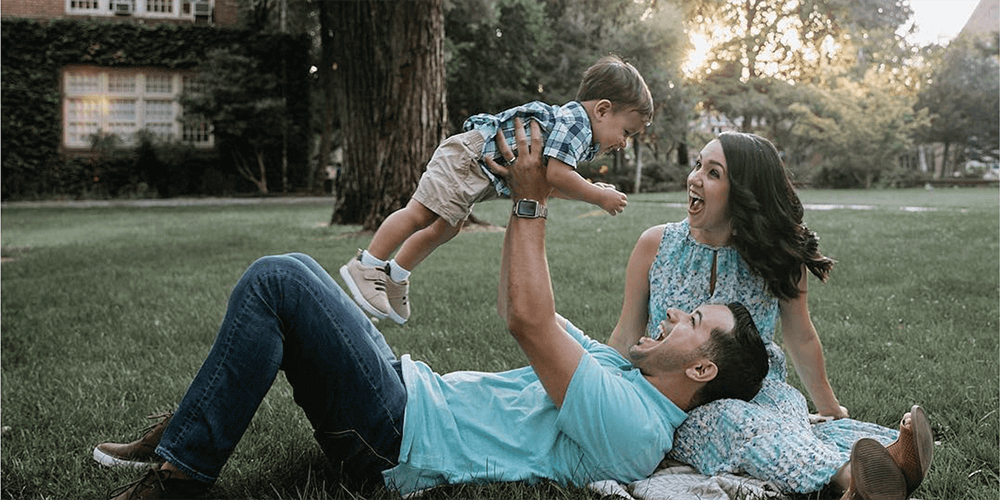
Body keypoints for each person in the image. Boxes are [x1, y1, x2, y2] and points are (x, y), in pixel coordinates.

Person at [94, 120, 769, 500]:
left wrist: (532, 203)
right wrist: (520, 200)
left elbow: (528, 324)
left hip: (395, 439)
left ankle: (182, 474)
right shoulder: (622, 374)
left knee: (277, 280)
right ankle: (191, 428)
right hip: (403, 399)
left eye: (694, 321)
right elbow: (520, 305)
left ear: (705, 370)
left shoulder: (638, 429)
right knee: (296, 273)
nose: (676, 314)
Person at [606, 131, 934, 499]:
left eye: (714, 173)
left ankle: (888, 466)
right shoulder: (654, 244)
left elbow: (801, 337)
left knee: (790, 422)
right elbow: (625, 334)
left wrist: (829, 407)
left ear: (744, 194)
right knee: (735, 423)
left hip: (763, 390)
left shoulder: (778, 258)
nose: (695, 177)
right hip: (680, 400)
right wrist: (600, 391)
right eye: (699, 164)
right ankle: (850, 479)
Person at [340, 55, 651, 325]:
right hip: (468, 156)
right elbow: (558, 174)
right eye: (626, 131)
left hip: (476, 168)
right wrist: (598, 196)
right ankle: (367, 265)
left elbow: (551, 183)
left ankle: (396, 275)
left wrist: (591, 189)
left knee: (447, 228)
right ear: (603, 109)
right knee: (420, 213)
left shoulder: (578, 137)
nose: (624, 142)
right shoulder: (577, 124)